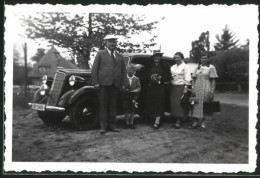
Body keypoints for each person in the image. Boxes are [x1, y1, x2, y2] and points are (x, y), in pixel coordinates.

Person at [91, 35, 128, 134]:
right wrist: (95, 82)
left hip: (116, 85)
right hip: (103, 84)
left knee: (113, 106)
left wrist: (124, 84)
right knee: (103, 106)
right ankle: (103, 127)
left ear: (116, 43)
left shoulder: (120, 56)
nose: (112, 43)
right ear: (105, 43)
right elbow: (94, 69)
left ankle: (113, 126)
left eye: (114, 41)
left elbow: (124, 71)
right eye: (109, 41)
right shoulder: (100, 54)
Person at [189, 53, 218, 131]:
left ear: (208, 59)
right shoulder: (197, 68)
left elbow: (213, 80)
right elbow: (193, 79)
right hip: (197, 89)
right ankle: (195, 123)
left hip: (206, 88)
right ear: (200, 59)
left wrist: (212, 91)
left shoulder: (211, 67)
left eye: (205, 58)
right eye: (202, 58)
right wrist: (193, 88)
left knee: (205, 105)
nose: (204, 59)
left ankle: (203, 124)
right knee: (195, 104)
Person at [143, 51, 171, 129]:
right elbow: (145, 75)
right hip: (151, 87)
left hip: (161, 87)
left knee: (160, 103)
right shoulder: (149, 65)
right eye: (155, 56)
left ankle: (157, 121)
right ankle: (152, 119)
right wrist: (150, 76)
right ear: (153, 57)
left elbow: (168, 76)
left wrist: (161, 77)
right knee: (152, 103)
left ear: (160, 57)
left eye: (158, 56)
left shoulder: (165, 65)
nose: (156, 58)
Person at [170, 52, 192, 129]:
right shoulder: (173, 66)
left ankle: (178, 122)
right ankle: (176, 118)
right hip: (173, 86)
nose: (176, 59)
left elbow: (187, 77)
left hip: (181, 86)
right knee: (174, 104)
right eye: (175, 58)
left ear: (182, 58)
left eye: (178, 57)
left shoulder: (185, 66)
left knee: (180, 103)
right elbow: (171, 76)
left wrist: (186, 87)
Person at [122, 64, 141, 129]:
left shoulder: (136, 79)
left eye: (133, 70)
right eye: (129, 70)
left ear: (135, 71)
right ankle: (127, 123)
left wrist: (136, 90)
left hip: (133, 97)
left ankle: (131, 123)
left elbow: (139, 87)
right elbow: (121, 86)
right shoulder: (124, 78)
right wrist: (124, 89)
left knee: (132, 110)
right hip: (126, 96)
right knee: (126, 110)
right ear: (127, 70)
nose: (131, 71)